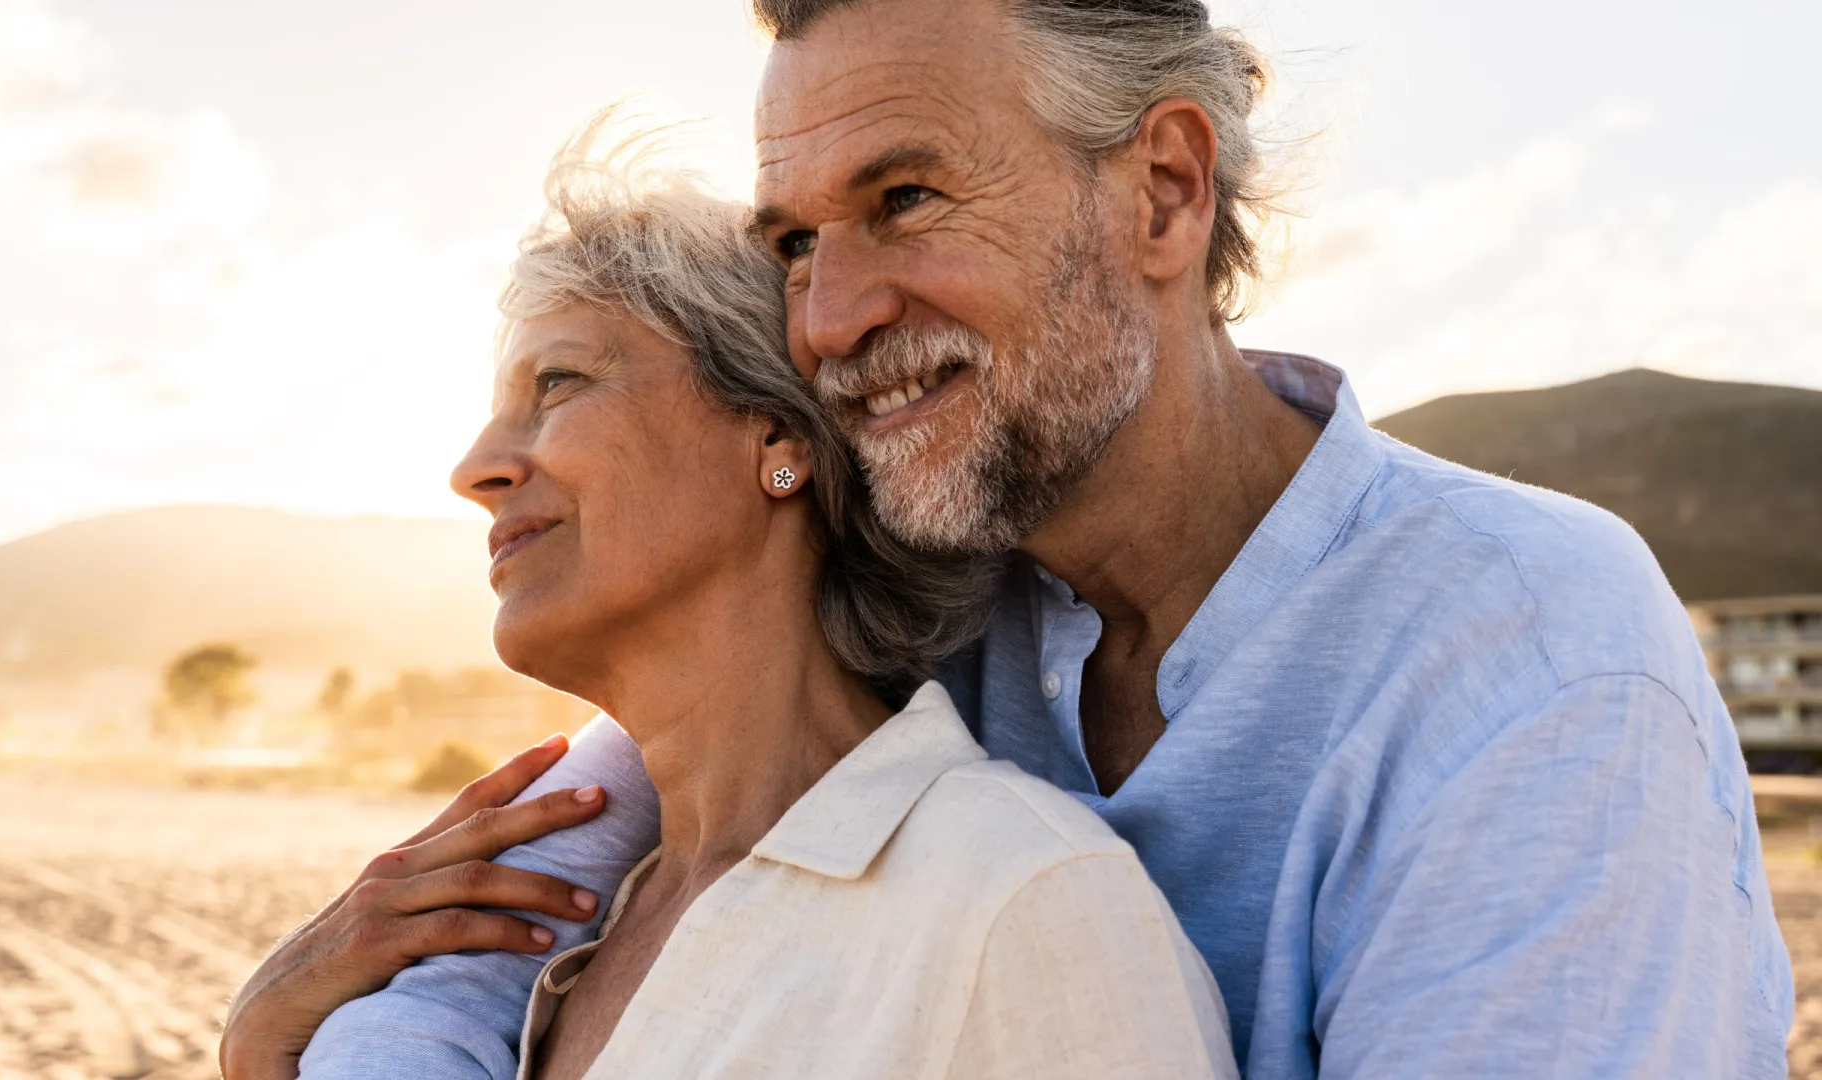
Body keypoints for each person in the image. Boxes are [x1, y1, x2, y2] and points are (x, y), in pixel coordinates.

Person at [244, 0, 1794, 1076]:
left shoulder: (1534, 666)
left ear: (1166, 193)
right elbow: (486, 929)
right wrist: (277, 1034)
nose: (830, 318)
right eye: (795, 241)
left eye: (908, 198)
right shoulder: (913, 592)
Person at [220, 133, 1237, 1079]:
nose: (474, 470)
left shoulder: (1018, 904)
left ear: (778, 439)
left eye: (558, 384)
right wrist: (264, 1051)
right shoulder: (579, 934)